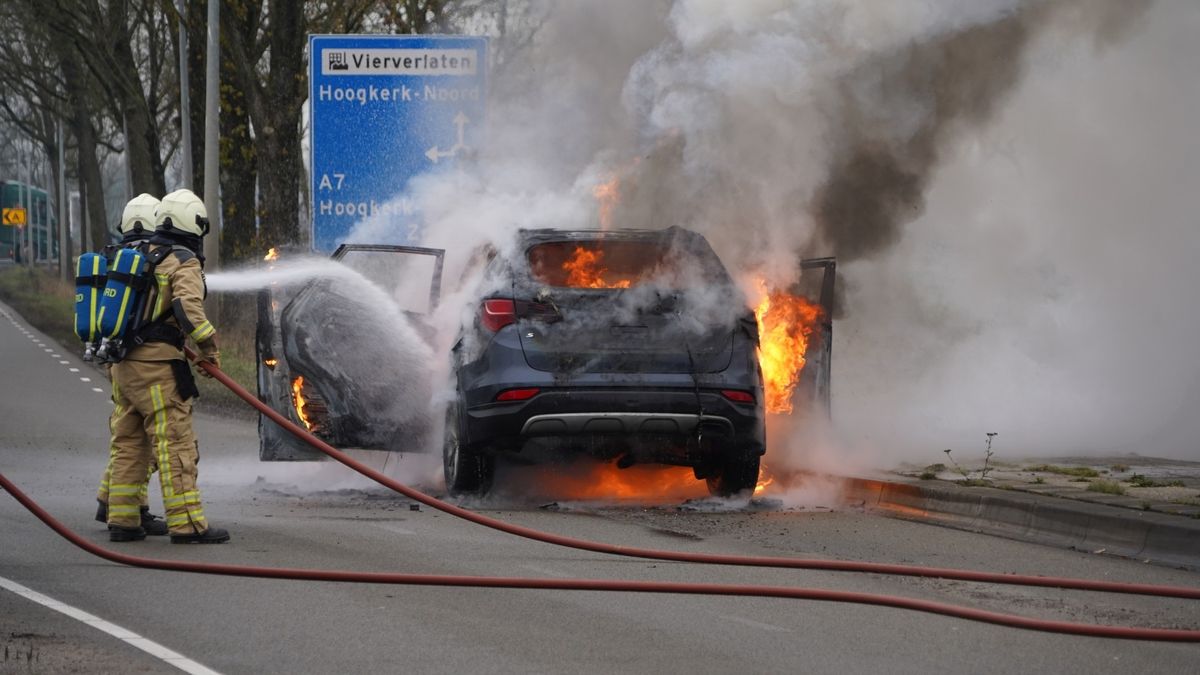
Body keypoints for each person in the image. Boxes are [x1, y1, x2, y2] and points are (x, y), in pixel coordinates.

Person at [105, 188, 228, 544]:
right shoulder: (182, 259)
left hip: (123, 367)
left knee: (130, 444)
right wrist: (209, 349)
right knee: (175, 443)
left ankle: (124, 521)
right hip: (157, 368)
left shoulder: (137, 253)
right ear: (194, 224)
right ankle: (187, 524)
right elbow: (189, 310)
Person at [94, 193, 167, 535]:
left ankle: (115, 504)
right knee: (146, 442)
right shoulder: (153, 261)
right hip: (145, 362)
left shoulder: (116, 261)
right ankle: (123, 513)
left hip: (116, 360)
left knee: (127, 436)